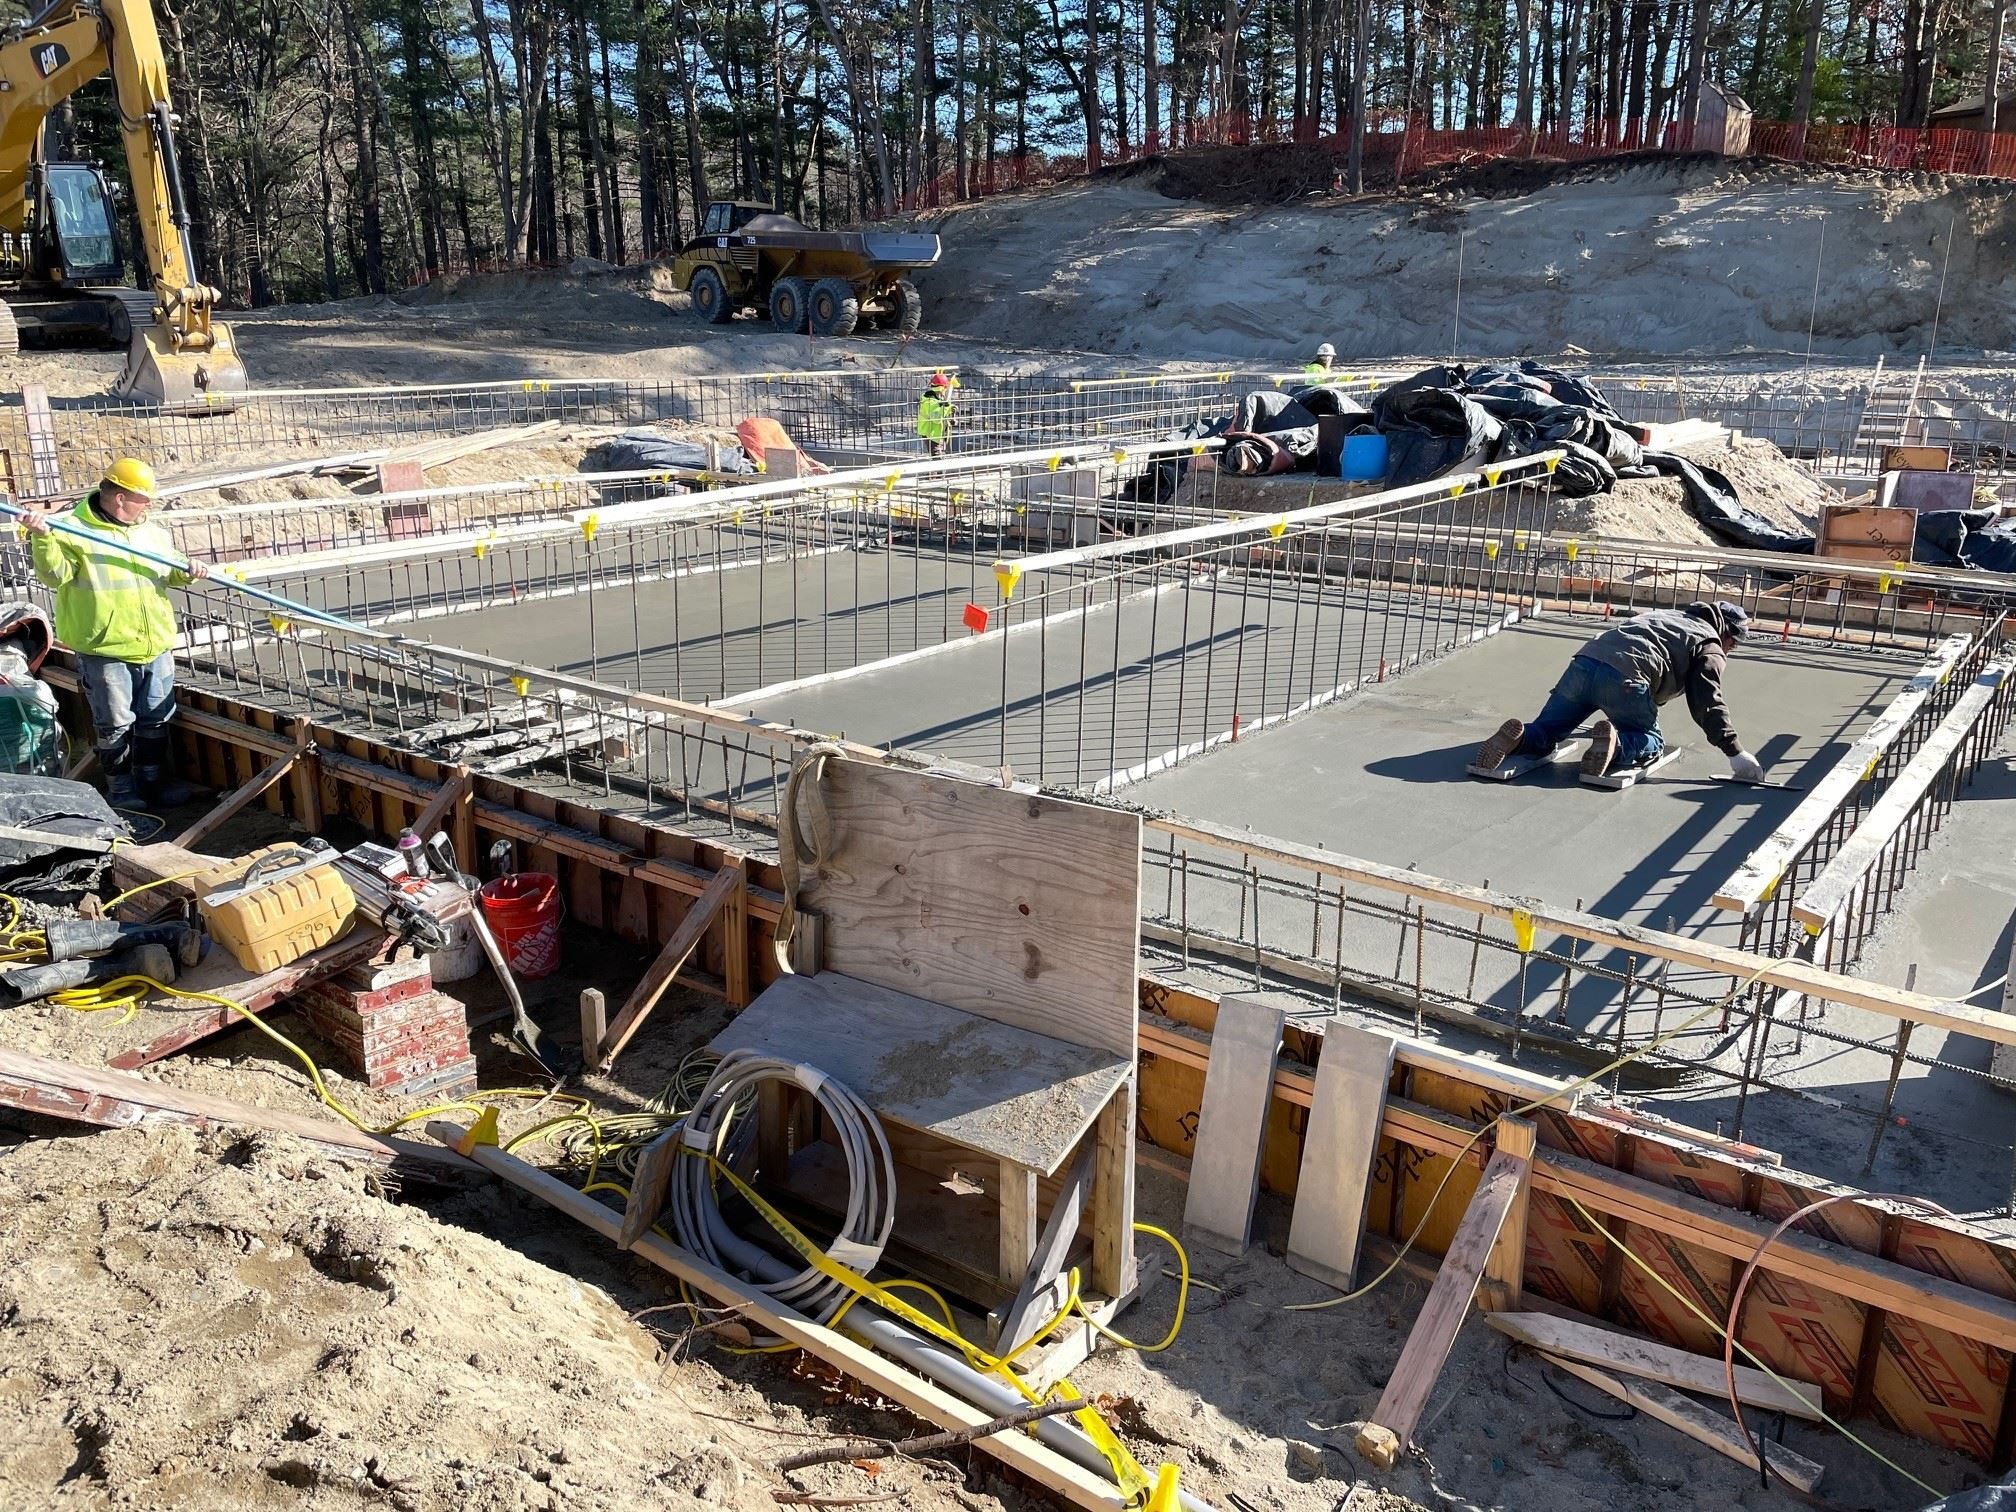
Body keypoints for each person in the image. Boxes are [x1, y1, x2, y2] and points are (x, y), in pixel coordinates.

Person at [24, 458, 212, 810]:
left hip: (154, 642)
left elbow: (167, 572)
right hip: (105, 645)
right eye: (144, 499)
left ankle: (153, 782)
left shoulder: (151, 532)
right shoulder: (71, 529)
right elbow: (54, 577)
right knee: (114, 723)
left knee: (156, 717)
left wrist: (188, 571)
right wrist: (42, 538)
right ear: (120, 498)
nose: (150, 505)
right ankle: (122, 790)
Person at [1475, 600, 1766, 782]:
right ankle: (1617, 746)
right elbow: (1707, 701)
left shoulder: (1666, 616)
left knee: (1548, 730)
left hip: (1584, 664)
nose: (1730, 650)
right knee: (1650, 740)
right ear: (1727, 633)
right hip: (1626, 680)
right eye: (1733, 645)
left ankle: (1522, 737)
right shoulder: (1711, 644)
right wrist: (1735, 751)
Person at [916, 371, 956, 458]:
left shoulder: (937, 397)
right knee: (937, 455)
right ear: (942, 388)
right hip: (931, 432)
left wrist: (950, 410)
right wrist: (947, 407)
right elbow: (937, 418)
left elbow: (942, 408)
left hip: (938, 432)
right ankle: (938, 471)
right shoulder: (929, 400)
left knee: (939, 454)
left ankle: (935, 471)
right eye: (945, 388)